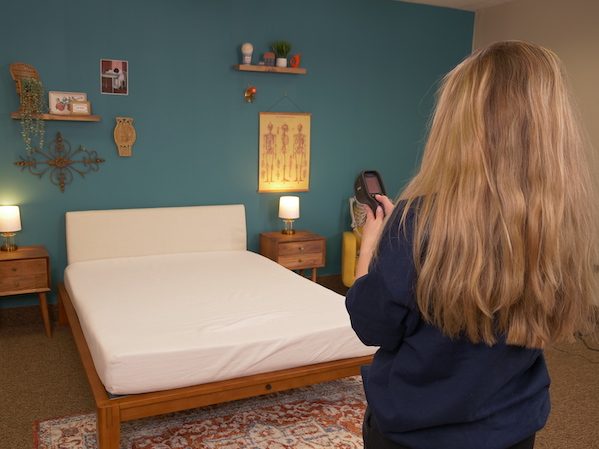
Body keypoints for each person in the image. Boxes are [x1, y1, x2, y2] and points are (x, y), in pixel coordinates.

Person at [345, 41, 598, 449]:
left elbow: (371, 325)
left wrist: (371, 246)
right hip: (511, 428)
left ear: (457, 125)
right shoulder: (560, 225)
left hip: (415, 434)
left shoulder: (414, 223)